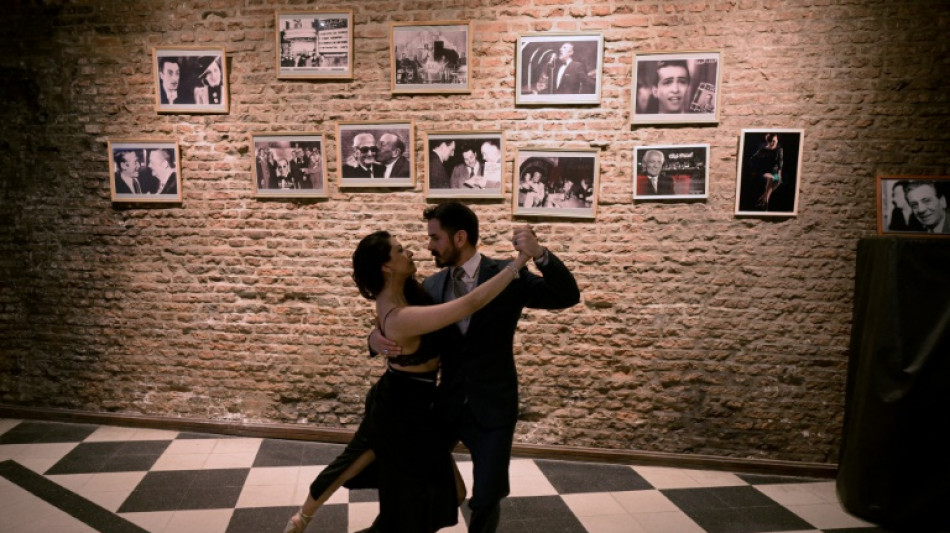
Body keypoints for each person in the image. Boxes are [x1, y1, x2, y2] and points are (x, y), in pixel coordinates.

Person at [284, 227, 533, 533]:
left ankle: (320, 518)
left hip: (421, 406)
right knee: (359, 461)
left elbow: (392, 326)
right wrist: (517, 263)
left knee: (448, 492)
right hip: (397, 407)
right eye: (400, 250)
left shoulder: (412, 291)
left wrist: (373, 336)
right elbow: (469, 304)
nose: (412, 251)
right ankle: (303, 517)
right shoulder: (400, 315)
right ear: (386, 266)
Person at [371, 202, 581, 533]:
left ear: (460, 238)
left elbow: (566, 295)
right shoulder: (432, 286)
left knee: (487, 496)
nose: (428, 246)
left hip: (494, 404)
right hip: (445, 403)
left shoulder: (506, 276)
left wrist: (540, 254)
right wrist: (373, 338)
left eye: (435, 238)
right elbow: (394, 314)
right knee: (414, 474)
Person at [748, 133, 783, 210]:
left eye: (775, 140)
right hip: (764, 172)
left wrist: (779, 174)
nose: (774, 143)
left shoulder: (779, 149)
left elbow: (780, 162)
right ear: (768, 141)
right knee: (770, 178)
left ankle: (762, 199)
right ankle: (766, 202)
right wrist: (756, 169)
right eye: (772, 141)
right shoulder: (763, 150)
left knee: (778, 181)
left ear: (777, 139)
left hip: (775, 173)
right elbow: (752, 159)